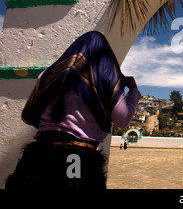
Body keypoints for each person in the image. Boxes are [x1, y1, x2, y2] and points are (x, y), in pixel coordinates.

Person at [5, 31, 141, 189]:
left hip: (38, 154)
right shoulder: (105, 76)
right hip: (77, 157)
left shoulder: (49, 74)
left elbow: (29, 115)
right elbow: (122, 119)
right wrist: (133, 91)